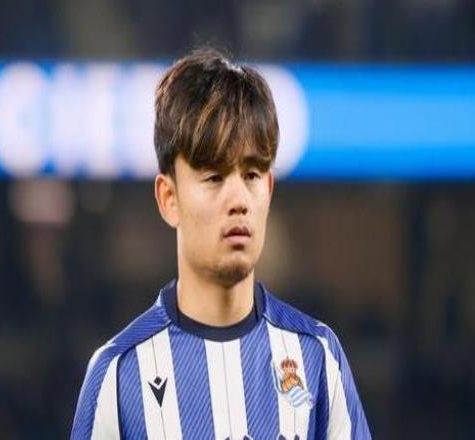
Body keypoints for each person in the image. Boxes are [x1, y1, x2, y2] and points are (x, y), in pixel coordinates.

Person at [71, 48, 371, 440]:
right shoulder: (118, 374)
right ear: (169, 198)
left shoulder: (317, 357)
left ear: (269, 189)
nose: (239, 200)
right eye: (214, 177)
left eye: (252, 174)